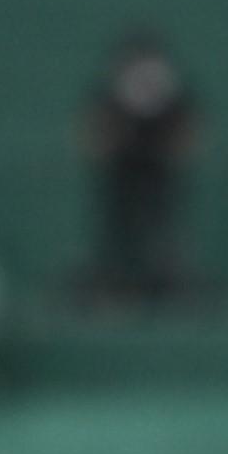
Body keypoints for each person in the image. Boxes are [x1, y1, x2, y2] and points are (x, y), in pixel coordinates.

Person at [81, 29, 200, 305]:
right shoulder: (107, 100)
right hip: (120, 175)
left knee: (163, 231)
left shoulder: (176, 102)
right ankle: (116, 283)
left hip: (161, 175)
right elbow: (94, 139)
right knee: (118, 231)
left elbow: (189, 139)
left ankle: (166, 283)